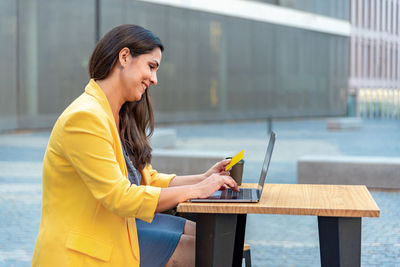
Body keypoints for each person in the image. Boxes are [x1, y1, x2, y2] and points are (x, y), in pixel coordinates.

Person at [32, 24, 238, 267]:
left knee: (215, 241)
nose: (155, 79)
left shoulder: (118, 115)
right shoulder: (84, 118)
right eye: (151, 66)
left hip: (120, 227)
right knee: (210, 251)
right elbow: (120, 196)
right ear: (125, 56)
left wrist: (202, 179)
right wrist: (197, 191)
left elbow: (146, 179)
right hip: (88, 247)